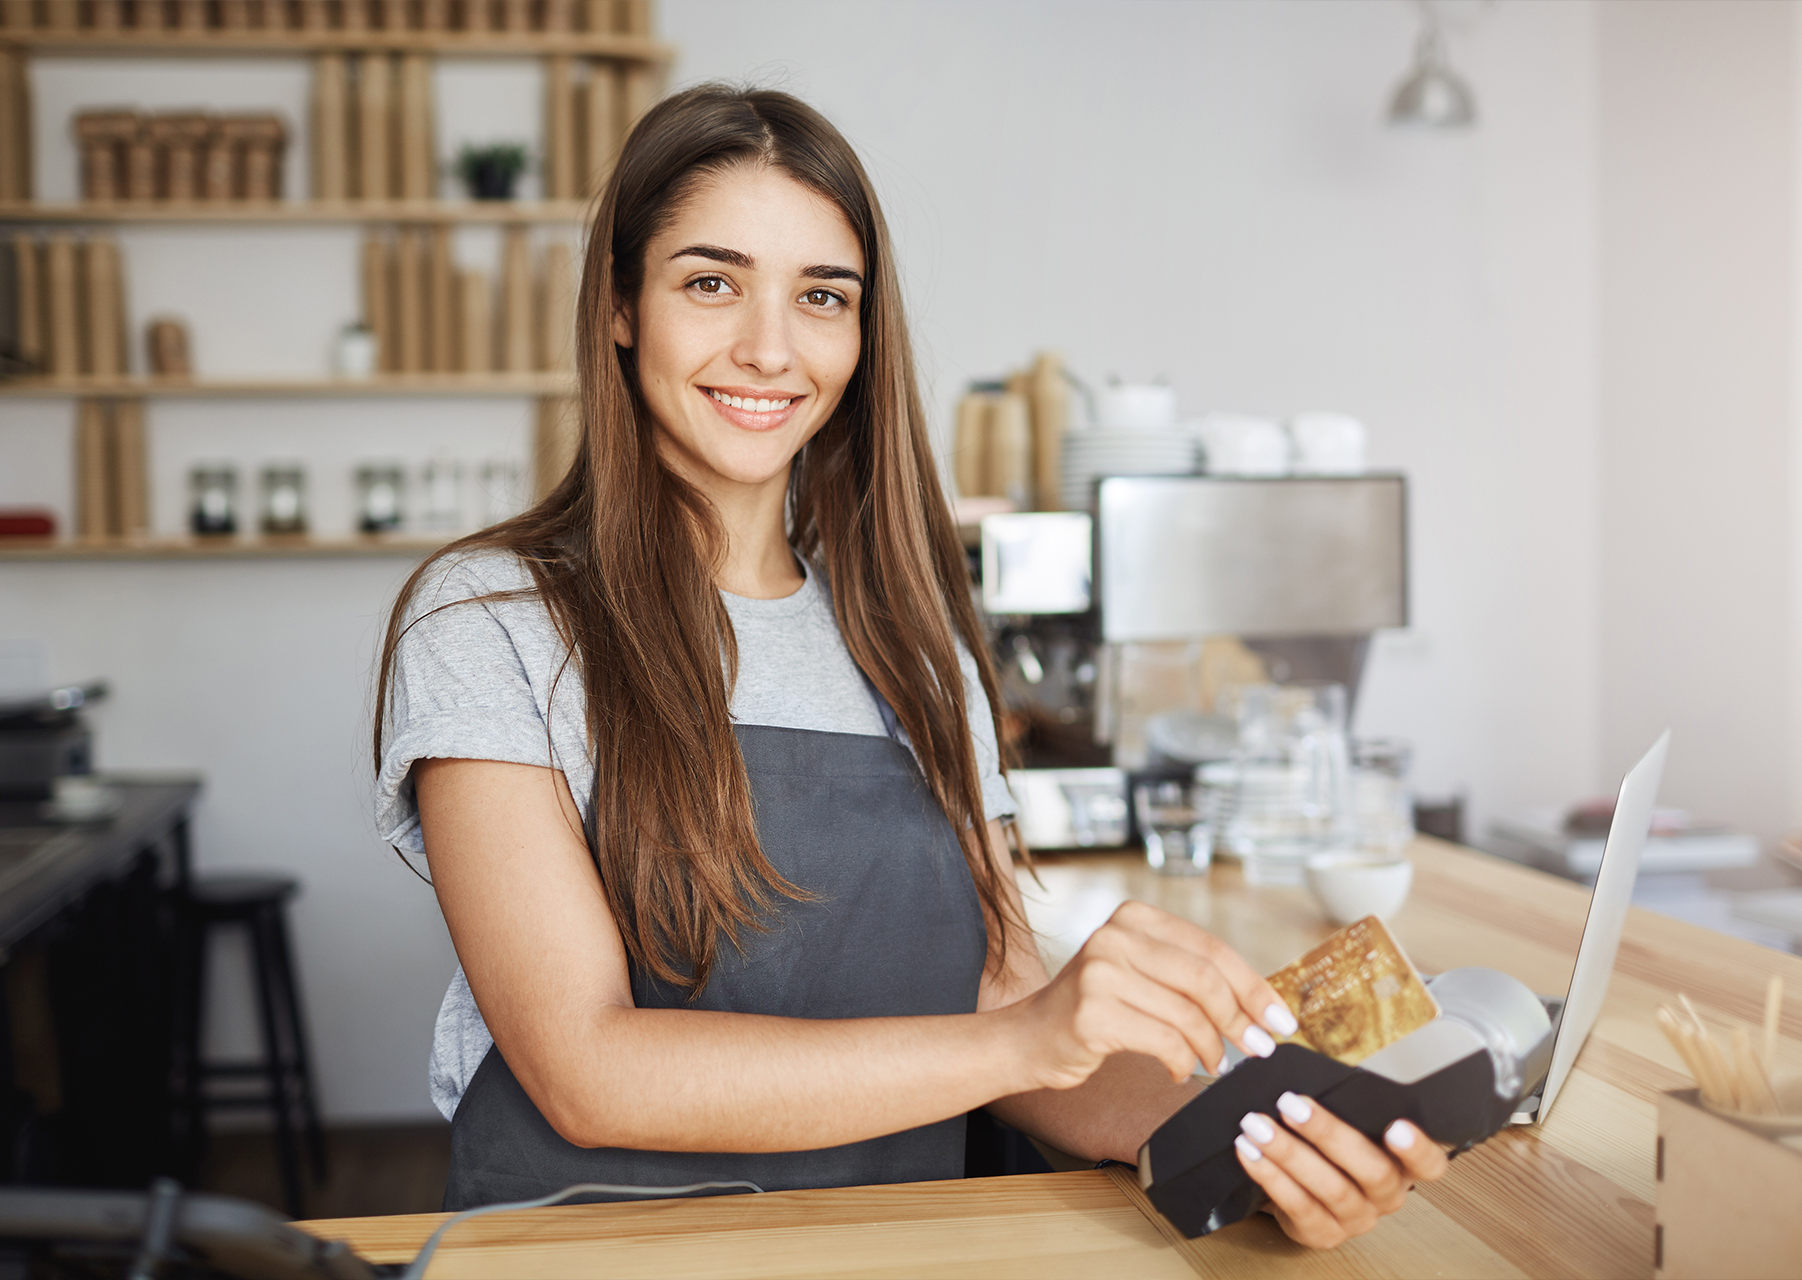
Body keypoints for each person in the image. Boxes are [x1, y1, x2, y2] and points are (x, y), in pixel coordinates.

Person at [372, 84, 1447, 1248]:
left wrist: (1261, 1133)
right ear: (623, 304)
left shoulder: (911, 640)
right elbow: (586, 1067)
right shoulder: (493, 618)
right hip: (591, 1254)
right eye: (710, 282)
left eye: (821, 297)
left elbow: (995, 1002)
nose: (770, 348)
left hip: (900, 1244)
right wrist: (1028, 1032)